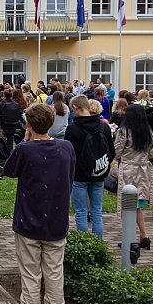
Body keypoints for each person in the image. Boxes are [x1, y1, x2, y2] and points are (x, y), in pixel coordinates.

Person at [0, 103, 75, 304]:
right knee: (54, 283)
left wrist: (26, 141)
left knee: (31, 282)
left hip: (28, 225)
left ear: (29, 125)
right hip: (56, 224)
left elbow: (8, 170)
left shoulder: (25, 149)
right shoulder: (65, 148)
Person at [65, 95, 114, 238]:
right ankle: (98, 244)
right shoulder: (103, 126)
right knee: (97, 212)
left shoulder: (73, 128)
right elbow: (111, 151)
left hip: (79, 175)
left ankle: (85, 244)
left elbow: (69, 154)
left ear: (75, 107)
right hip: (99, 173)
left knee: (81, 212)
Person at [114, 104, 153, 248]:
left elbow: (117, 152)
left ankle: (130, 238)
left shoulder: (123, 131)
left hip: (128, 170)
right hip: (143, 170)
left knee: (127, 205)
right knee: (137, 206)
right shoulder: (148, 132)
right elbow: (152, 153)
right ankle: (144, 236)